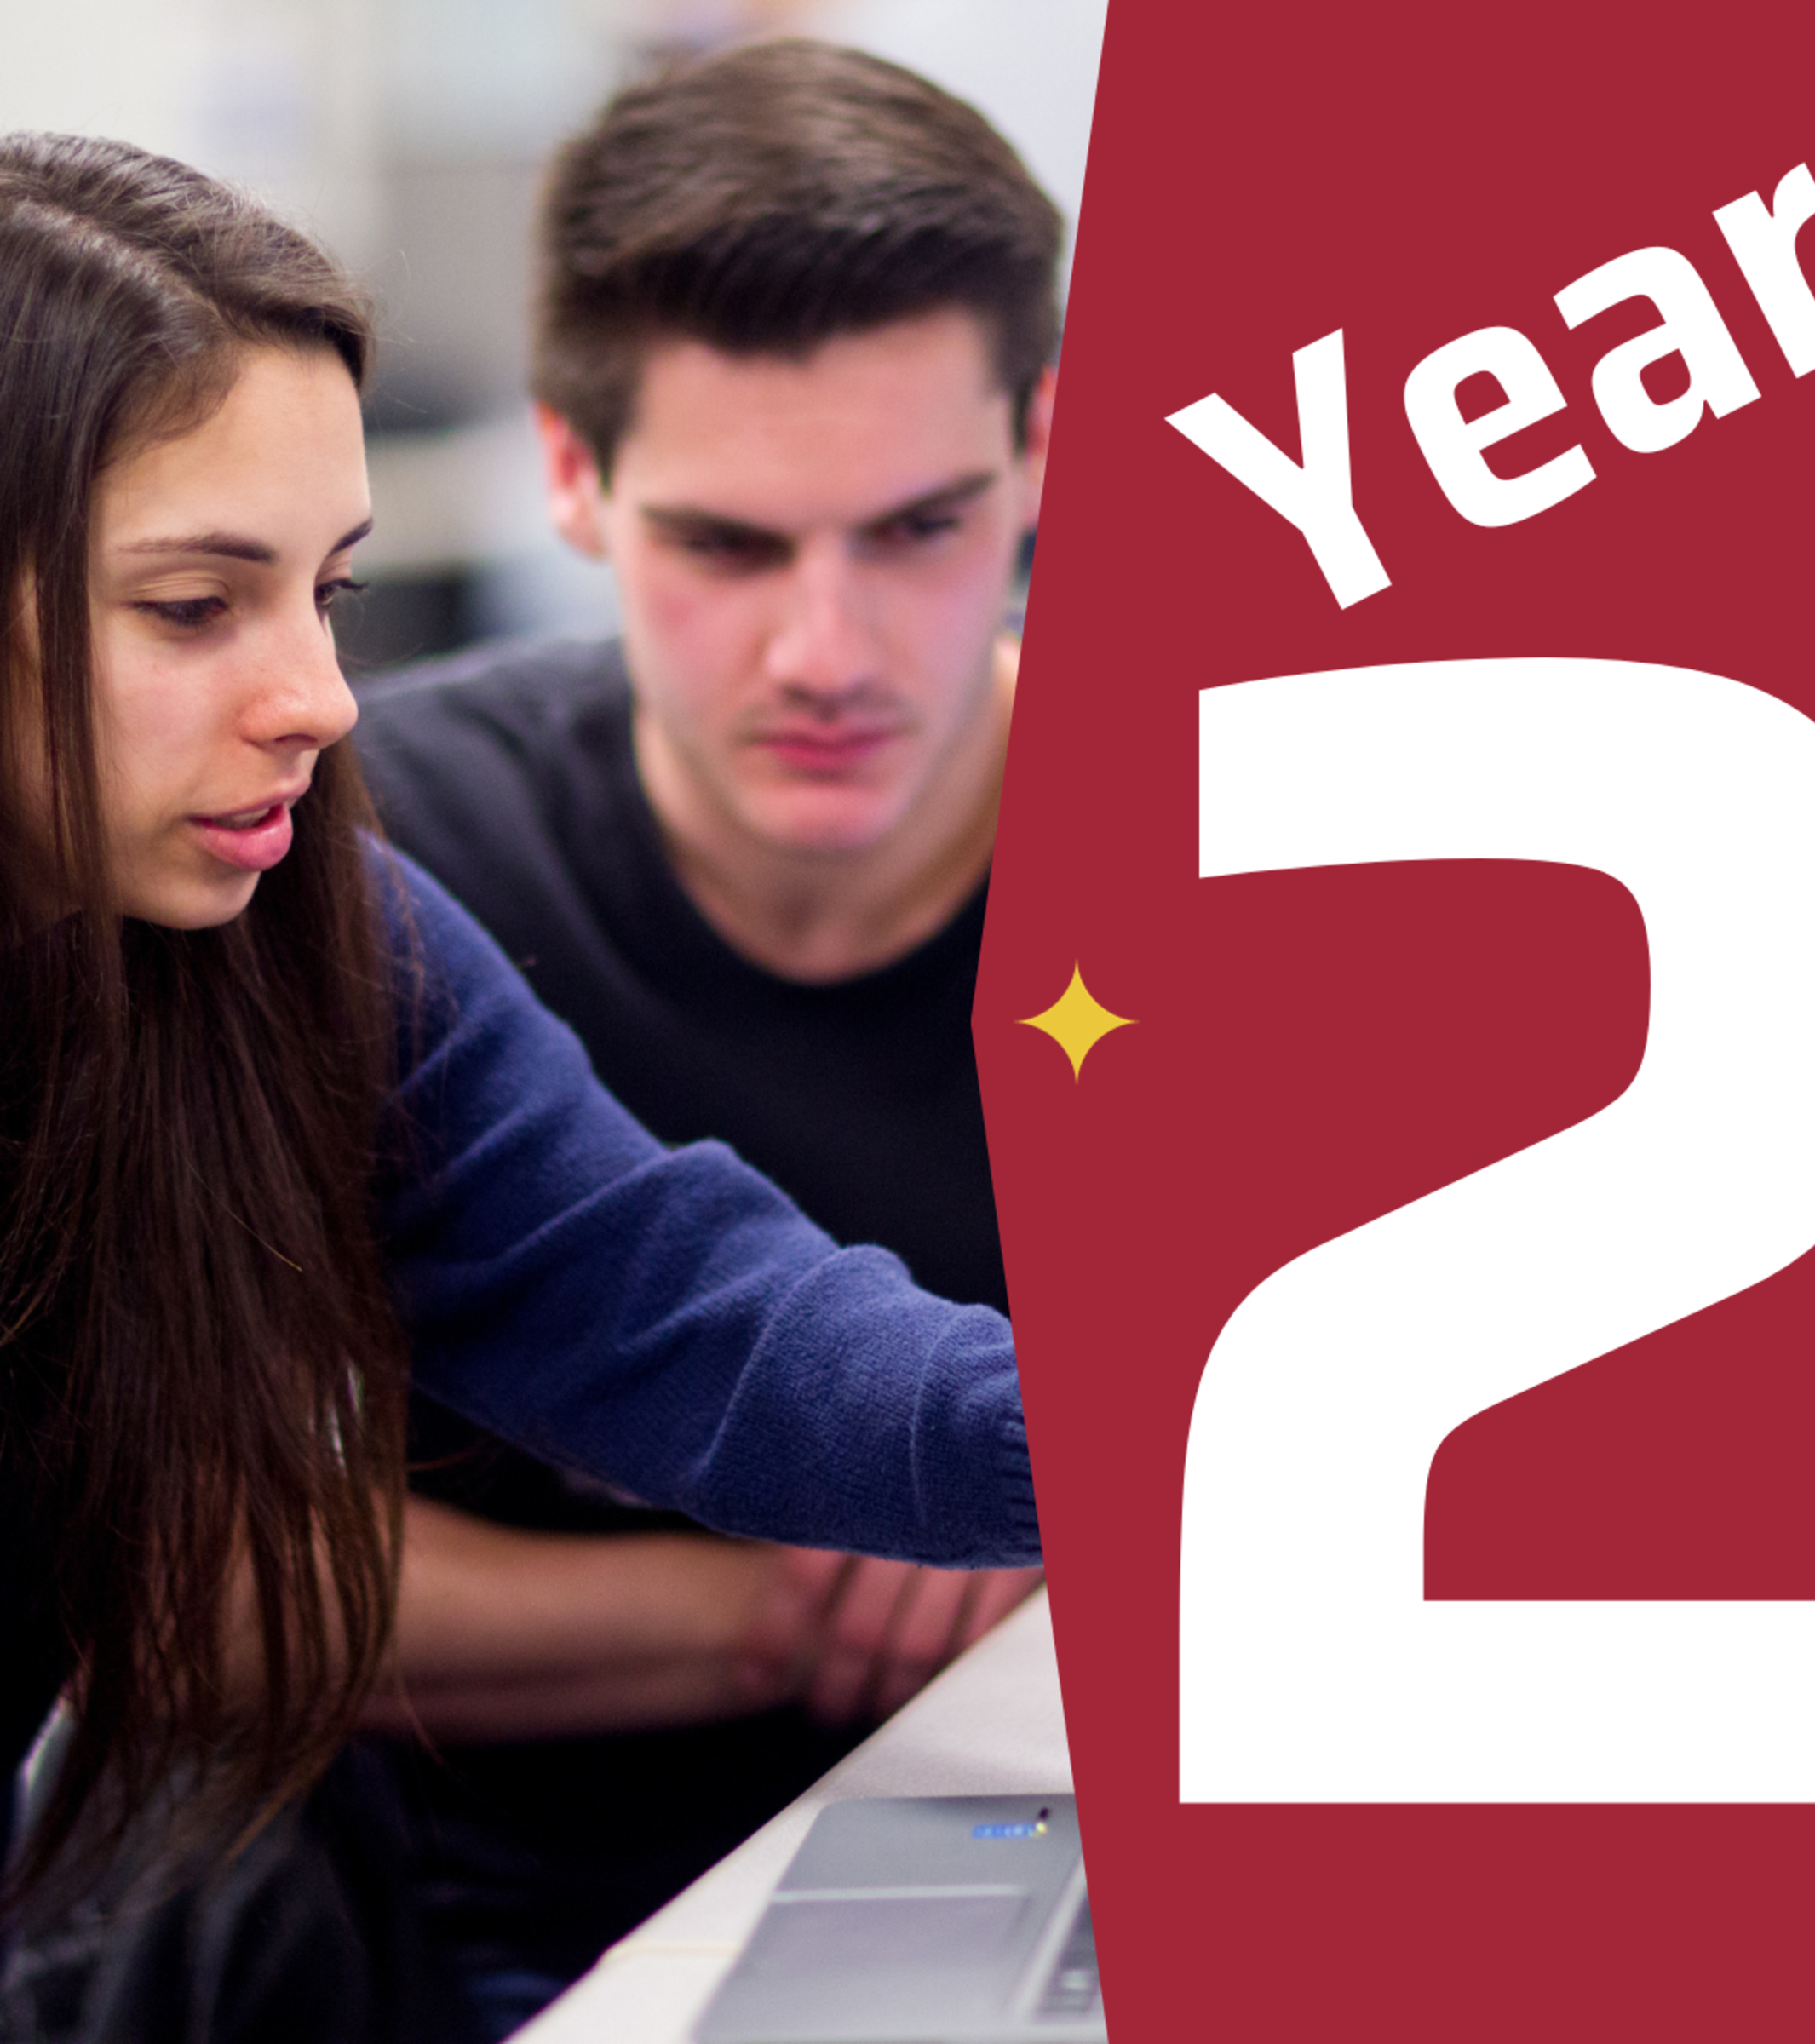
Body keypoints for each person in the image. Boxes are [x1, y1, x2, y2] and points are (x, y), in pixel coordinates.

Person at [0, 123, 1037, 2034]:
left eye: (328, 594)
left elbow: (672, 1306)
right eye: (195, 606)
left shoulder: (302, 920)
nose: (318, 700)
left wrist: (1211, 1437)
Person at [346, 37, 1060, 2026]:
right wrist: (789, 1600)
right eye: (728, 545)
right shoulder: (357, 858)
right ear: (571, 475)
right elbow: (189, 1582)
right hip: (492, 1933)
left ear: (1046, 448)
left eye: (917, 528)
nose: (825, 654)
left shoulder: (1258, 840)